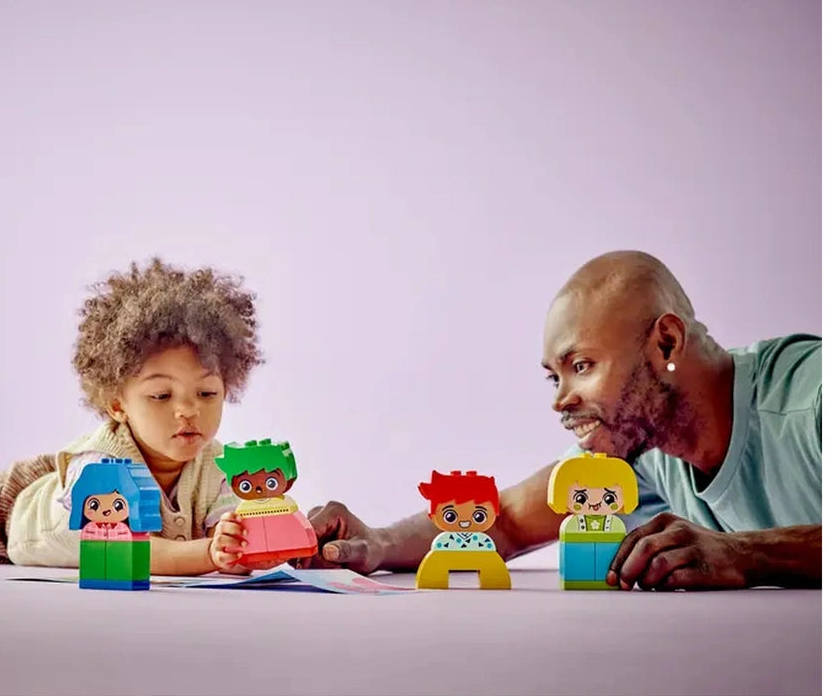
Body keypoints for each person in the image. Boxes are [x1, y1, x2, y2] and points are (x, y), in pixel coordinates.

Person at [300, 251, 821, 590]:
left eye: (582, 366)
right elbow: (499, 519)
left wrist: (745, 553)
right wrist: (376, 543)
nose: (561, 400)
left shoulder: (810, 396)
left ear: (667, 342)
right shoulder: (645, 448)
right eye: (555, 377)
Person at [0, 258, 274, 577]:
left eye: (207, 392)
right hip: (11, 516)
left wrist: (239, 540)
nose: (188, 410)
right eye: (161, 395)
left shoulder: (218, 464)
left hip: (56, 483)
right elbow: (120, 553)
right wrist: (208, 555)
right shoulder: (101, 467)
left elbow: (229, 524)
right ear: (117, 404)